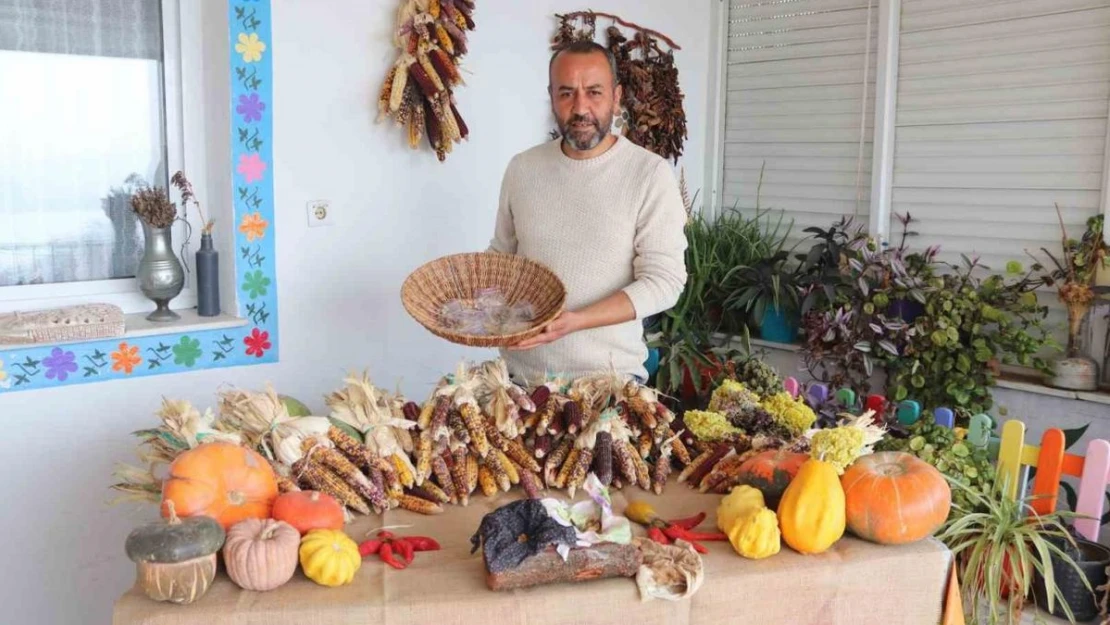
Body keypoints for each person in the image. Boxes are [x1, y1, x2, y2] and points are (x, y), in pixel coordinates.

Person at [487, 39, 688, 386]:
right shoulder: (522, 169)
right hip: (520, 382)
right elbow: (502, 258)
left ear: (617, 95)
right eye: (566, 93)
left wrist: (575, 320)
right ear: (551, 97)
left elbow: (665, 281)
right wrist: (476, 308)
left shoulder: (648, 174)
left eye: (594, 92)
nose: (580, 108)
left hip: (609, 383)